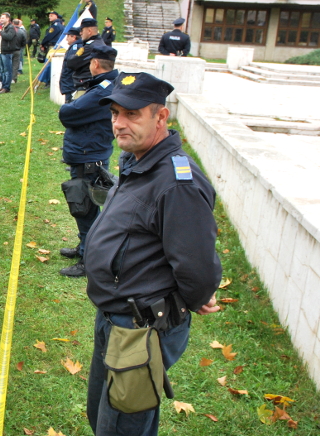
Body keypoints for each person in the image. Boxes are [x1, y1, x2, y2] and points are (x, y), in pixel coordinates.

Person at [86, 72, 222, 436]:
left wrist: (196, 295)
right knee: (106, 412)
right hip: (115, 318)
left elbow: (197, 266)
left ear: (161, 118)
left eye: (131, 115)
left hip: (140, 327)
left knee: (122, 425)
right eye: (115, 113)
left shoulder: (178, 182)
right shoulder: (139, 160)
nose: (118, 124)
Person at [58, 45, 118, 278]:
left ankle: (88, 259)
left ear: (94, 64)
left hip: (88, 157)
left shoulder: (101, 90)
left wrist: (68, 106)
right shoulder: (106, 85)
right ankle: (84, 247)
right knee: (86, 207)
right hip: (89, 153)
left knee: (84, 207)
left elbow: (68, 113)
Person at [65, 18, 106, 99]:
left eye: (82, 31)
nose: (80, 33)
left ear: (89, 31)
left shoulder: (90, 46)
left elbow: (71, 63)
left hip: (85, 86)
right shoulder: (100, 43)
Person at [59, 28, 82, 103]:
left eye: (68, 36)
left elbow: (71, 66)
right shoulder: (76, 47)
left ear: (74, 37)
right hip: (71, 83)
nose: (66, 39)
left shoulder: (75, 48)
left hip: (71, 84)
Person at [0, 14, 18, 94]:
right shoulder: (3, 27)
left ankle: (6, 87)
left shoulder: (10, 27)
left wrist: (1, 32)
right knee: (2, 70)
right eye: (1, 18)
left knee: (7, 70)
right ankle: (3, 86)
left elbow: (9, 37)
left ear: (8, 19)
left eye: (3, 18)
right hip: (1, 51)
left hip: (7, 52)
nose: (1, 19)